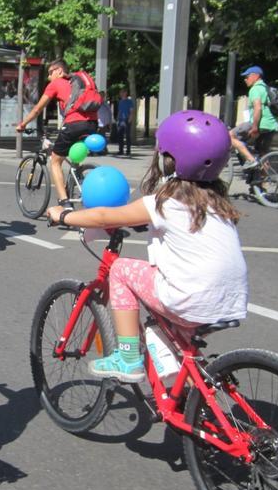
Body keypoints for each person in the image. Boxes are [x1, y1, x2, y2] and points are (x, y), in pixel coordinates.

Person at [46, 110, 247, 382]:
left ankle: (128, 359)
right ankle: (190, 396)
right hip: (230, 300)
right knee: (181, 343)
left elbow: (104, 216)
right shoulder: (218, 203)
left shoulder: (166, 202)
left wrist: (65, 216)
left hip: (189, 297)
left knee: (120, 270)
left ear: (170, 159)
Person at [17, 59, 99, 209]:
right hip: (92, 124)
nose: (48, 77)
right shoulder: (77, 82)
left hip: (74, 124)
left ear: (59, 71)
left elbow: (37, 109)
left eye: (50, 72)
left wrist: (22, 124)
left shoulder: (56, 84)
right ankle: (78, 179)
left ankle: (64, 202)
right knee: (74, 156)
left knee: (55, 161)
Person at [229, 66, 278, 170]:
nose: (245, 79)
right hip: (271, 125)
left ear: (256, 76)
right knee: (263, 154)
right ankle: (264, 182)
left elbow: (258, 108)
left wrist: (255, 126)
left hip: (260, 123)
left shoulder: (255, 89)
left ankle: (251, 161)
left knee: (230, 136)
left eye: (247, 77)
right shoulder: (266, 88)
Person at [115, 89, 135, 155]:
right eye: (120, 93)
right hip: (120, 120)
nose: (121, 94)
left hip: (126, 120)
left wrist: (130, 119)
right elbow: (119, 111)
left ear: (126, 93)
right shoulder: (120, 102)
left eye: (122, 92)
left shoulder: (129, 101)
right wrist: (117, 120)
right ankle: (121, 150)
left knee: (127, 136)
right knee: (120, 136)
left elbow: (131, 111)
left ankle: (128, 151)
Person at [95, 91, 112, 156]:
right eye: (100, 95)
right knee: (98, 137)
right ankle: (99, 149)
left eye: (102, 96)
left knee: (102, 137)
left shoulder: (105, 104)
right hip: (97, 123)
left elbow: (109, 114)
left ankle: (104, 149)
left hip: (103, 124)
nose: (101, 97)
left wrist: (109, 123)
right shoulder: (96, 103)